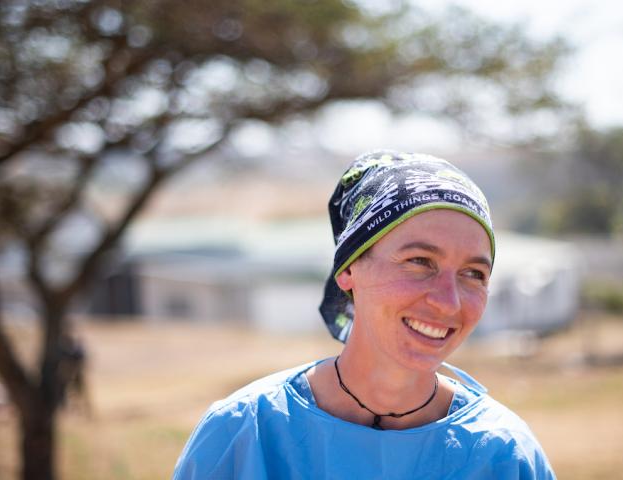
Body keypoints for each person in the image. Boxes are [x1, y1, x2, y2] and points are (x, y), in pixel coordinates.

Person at [171, 150, 556, 479]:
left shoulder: (505, 455)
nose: (449, 302)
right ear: (349, 268)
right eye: (420, 261)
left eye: (474, 274)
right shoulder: (244, 434)